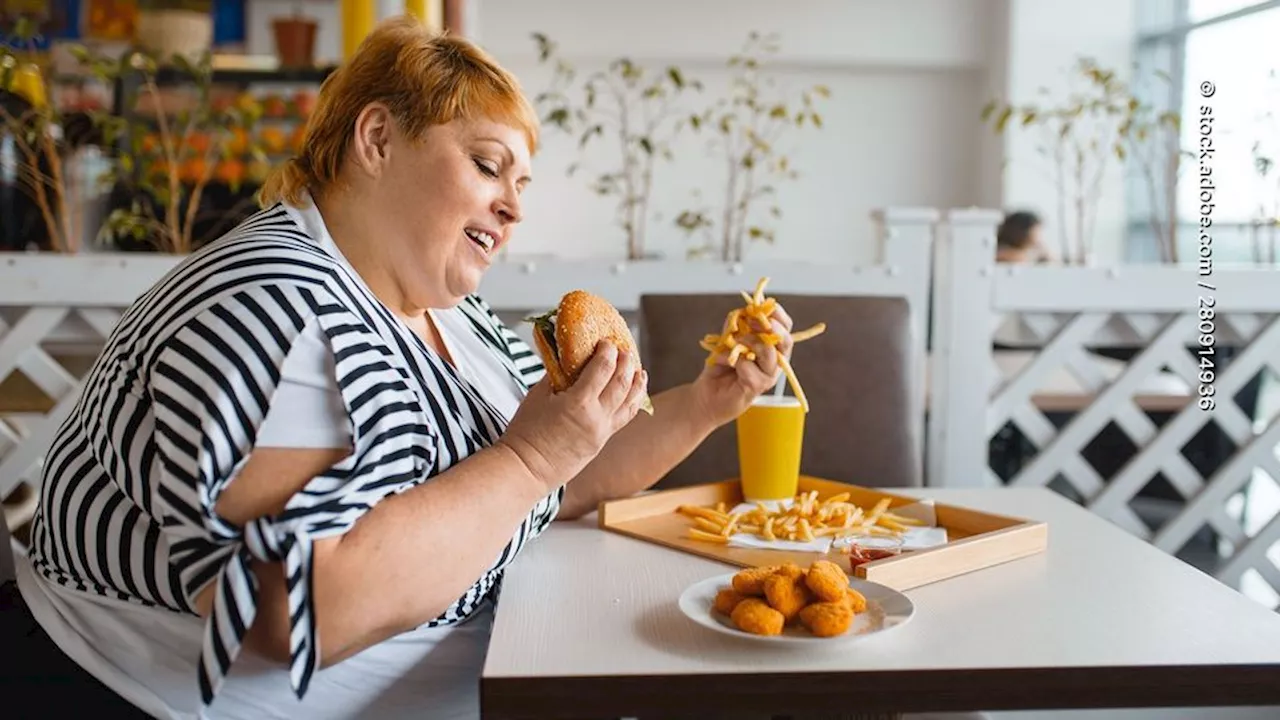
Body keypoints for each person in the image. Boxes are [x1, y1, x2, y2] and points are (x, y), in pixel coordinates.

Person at [7, 16, 795, 719]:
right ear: (377, 140)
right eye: (489, 166)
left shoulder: (449, 314)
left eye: (522, 184)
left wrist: (705, 402)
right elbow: (285, 613)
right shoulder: (272, 307)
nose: (515, 206)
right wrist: (530, 456)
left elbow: (564, 483)